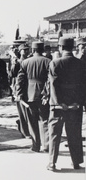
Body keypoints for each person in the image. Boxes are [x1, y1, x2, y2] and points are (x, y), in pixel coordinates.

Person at [46, 37, 86, 171]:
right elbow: (83, 86)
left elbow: (54, 85)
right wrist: (79, 102)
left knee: (55, 133)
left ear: (61, 48)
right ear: (73, 48)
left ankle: (52, 162)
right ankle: (76, 162)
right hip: (75, 104)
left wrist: (58, 102)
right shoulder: (81, 63)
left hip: (59, 105)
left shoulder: (55, 63)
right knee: (74, 133)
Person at [16, 41, 51, 152]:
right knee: (45, 120)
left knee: (32, 121)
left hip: (29, 94)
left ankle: (36, 146)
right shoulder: (48, 61)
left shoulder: (25, 62)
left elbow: (20, 80)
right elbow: (51, 80)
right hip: (43, 94)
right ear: (43, 50)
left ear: (32, 50)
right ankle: (46, 145)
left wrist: (20, 94)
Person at [11, 44, 30, 138]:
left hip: (28, 89)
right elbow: (12, 74)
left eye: (27, 50)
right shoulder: (17, 62)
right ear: (20, 51)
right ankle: (24, 130)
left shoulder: (29, 60)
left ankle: (26, 128)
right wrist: (14, 64)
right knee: (22, 112)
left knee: (28, 111)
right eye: (24, 50)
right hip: (19, 89)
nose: (26, 52)